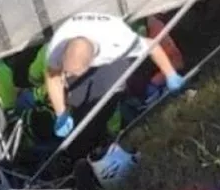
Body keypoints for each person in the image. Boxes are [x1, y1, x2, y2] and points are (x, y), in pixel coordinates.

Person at [42, 12, 186, 159]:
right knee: (76, 102)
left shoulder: (118, 41)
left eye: (73, 72)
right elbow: (53, 76)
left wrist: (170, 74)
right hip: (86, 50)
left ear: (91, 61)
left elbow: (152, 46)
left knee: (106, 97)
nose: (67, 75)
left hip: (112, 58)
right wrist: (61, 113)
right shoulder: (58, 44)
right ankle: (75, 147)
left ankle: (97, 139)